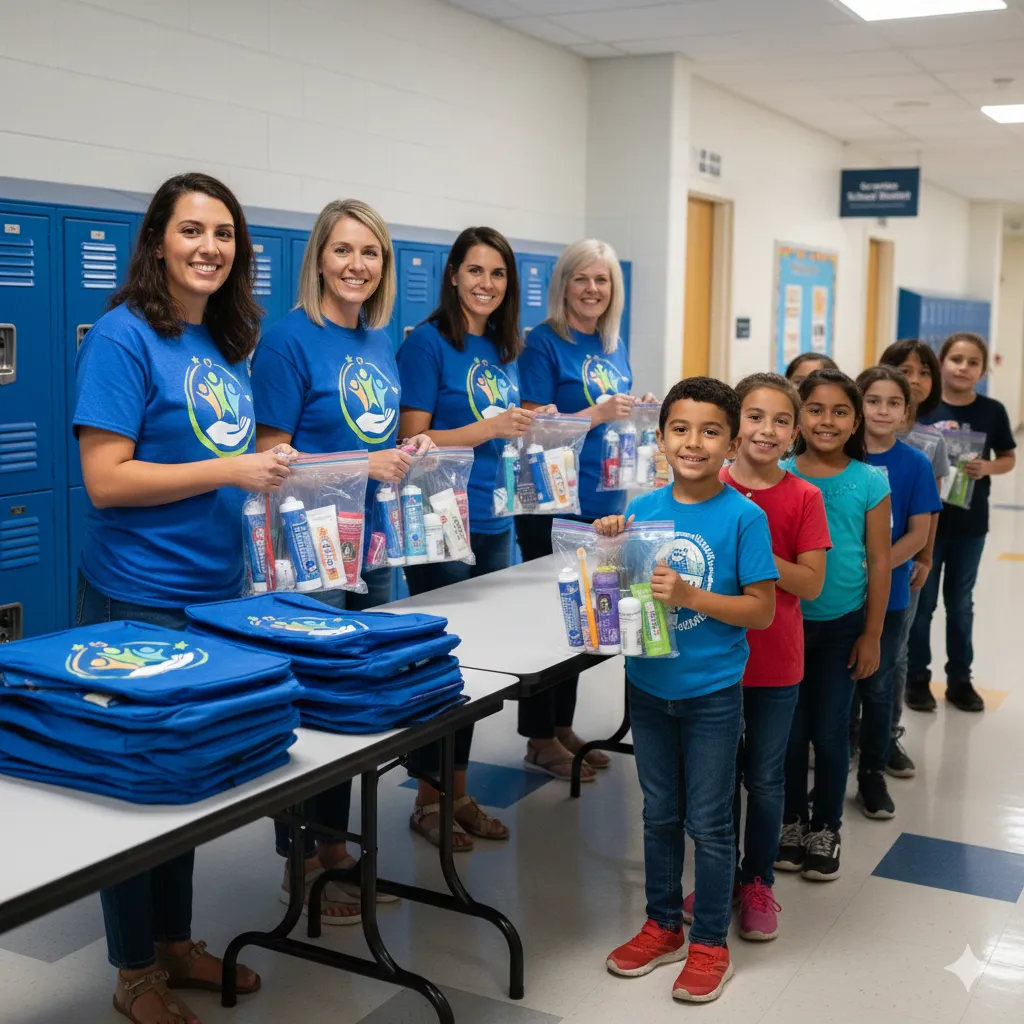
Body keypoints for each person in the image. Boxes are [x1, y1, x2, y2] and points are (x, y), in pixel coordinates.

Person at [75, 172, 275, 1024]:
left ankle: (175, 942)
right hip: (137, 598)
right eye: (192, 230)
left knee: (186, 774)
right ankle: (132, 973)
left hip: (211, 592)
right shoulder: (124, 338)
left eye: (224, 234)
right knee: (135, 785)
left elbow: (228, 460)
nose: (209, 248)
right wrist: (232, 470)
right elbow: (105, 481)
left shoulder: (223, 342)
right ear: (158, 239)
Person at [251, 199, 432, 922]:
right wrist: (368, 460)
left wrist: (403, 459)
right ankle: (300, 862)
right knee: (310, 700)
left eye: (371, 254)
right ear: (318, 258)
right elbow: (271, 460)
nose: (357, 265)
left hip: (372, 546)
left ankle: (334, 847)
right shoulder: (288, 342)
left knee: (351, 696)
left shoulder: (378, 339)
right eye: (343, 250)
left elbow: (380, 446)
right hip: (308, 548)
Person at [600, 378, 778, 1004]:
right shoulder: (644, 508)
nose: (693, 442)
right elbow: (626, 593)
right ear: (660, 438)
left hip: (711, 693)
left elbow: (761, 611)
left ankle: (710, 943)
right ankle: (662, 925)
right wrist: (611, 543)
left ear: (731, 443)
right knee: (658, 815)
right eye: (680, 429)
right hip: (648, 685)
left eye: (709, 431)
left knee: (709, 821)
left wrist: (693, 596)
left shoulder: (744, 517)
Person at [680, 373, 830, 942]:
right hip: (711, 659)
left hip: (774, 665)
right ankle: (719, 881)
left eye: (781, 420)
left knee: (766, 779)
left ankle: (758, 880)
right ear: (733, 426)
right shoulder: (703, 484)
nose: (767, 430)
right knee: (712, 785)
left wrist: (753, 547)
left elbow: (812, 585)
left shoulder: (803, 497)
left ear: (794, 434)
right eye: (755, 416)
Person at [395, 226, 527, 850]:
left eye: (497, 274)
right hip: (439, 520)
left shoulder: (502, 346)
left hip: (493, 514)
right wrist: (489, 425)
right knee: (442, 663)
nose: (486, 284)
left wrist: (526, 425)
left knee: (475, 666)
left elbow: (498, 430)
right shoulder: (427, 344)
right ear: (452, 274)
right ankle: (428, 801)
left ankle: (459, 791)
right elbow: (413, 439)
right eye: (474, 271)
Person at [514, 239, 657, 781]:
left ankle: (563, 724)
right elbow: (534, 425)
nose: (593, 290)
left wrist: (633, 413)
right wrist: (596, 413)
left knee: (584, 612)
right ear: (563, 285)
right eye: (582, 279)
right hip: (550, 500)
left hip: (603, 496)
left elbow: (611, 412)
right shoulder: (542, 344)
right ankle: (538, 736)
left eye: (603, 281)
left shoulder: (610, 342)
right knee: (552, 615)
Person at [777, 368, 891, 883]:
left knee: (829, 730)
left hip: (843, 625)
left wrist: (872, 633)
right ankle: (791, 822)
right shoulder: (778, 473)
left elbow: (880, 561)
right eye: (816, 409)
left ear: (855, 422)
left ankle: (826, 826)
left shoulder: (869, 481)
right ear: (798, 417)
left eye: (840, 411)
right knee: (790, 731)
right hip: (784, 624)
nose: (827, 420)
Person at [908, 332, 1016, 712]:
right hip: (924, 524)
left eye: (972, 362)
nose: (963, 368)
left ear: (983, 371)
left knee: (960, 603)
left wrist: (988, 467)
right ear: (941, 364)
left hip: (970, 525)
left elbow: (1008, 457)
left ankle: (959, 680)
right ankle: (917, 678)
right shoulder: (923, 409)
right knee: (920, 604)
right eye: (956, 359)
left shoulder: (992, 410)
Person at [854, 366, 941, 820]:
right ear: (858, 404)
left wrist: (878, 565)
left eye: (892, 403)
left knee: (878, 684)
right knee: (838, 686)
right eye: (872, 400)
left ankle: (872, 772)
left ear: (906, 412)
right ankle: (836, 765)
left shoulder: (915, 464)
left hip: (889, 597)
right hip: (838, 594)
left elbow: (919, 530)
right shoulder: (839, 458)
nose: (882, 411)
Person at [877, 339, 949, 774]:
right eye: (904, 370)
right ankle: (850, 734)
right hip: (855, 566)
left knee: (896, 652)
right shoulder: (856, 435)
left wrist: (923, 558)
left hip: (905, 562)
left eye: (923, 373)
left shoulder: (929, 443)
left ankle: (887, 736)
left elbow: (931, 512)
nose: (915, 380)